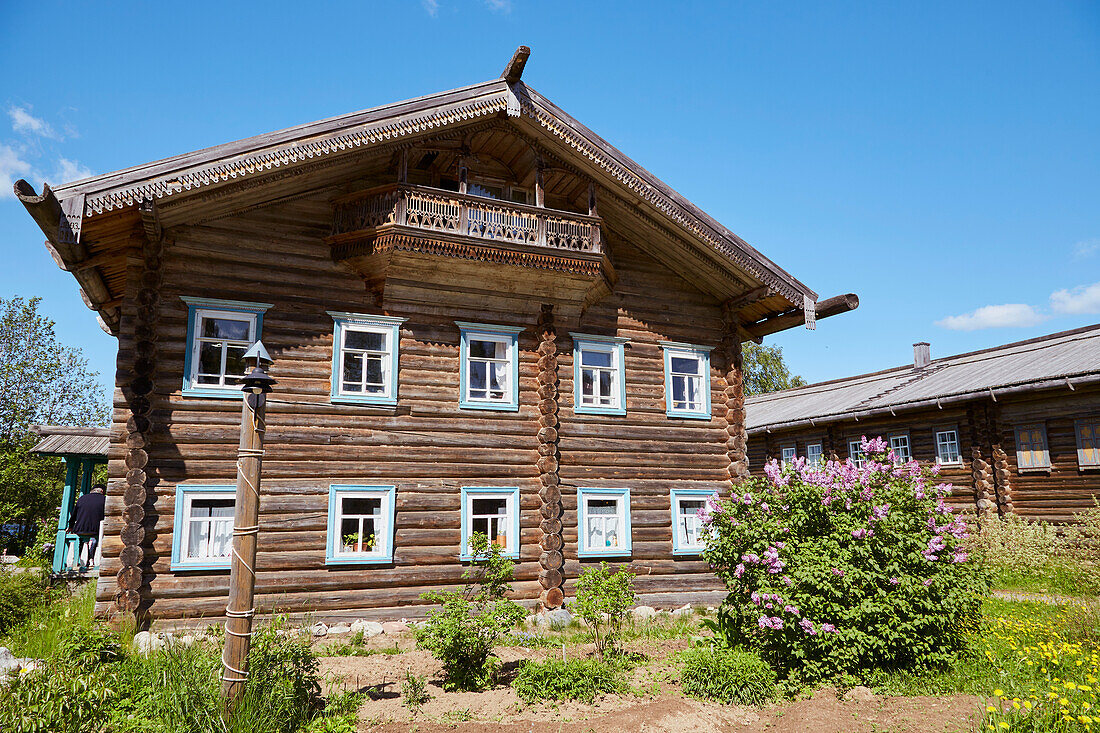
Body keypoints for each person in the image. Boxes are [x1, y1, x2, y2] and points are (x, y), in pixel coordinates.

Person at [70, 484, 106, 570]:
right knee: (98, 540)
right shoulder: (104, 500)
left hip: (80, 529)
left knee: (82, 543)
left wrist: (71, 526)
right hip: (97, 530)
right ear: (102, 491)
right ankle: (93, 560)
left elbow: (74, 515)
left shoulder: (81, 499)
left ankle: (81, 562)